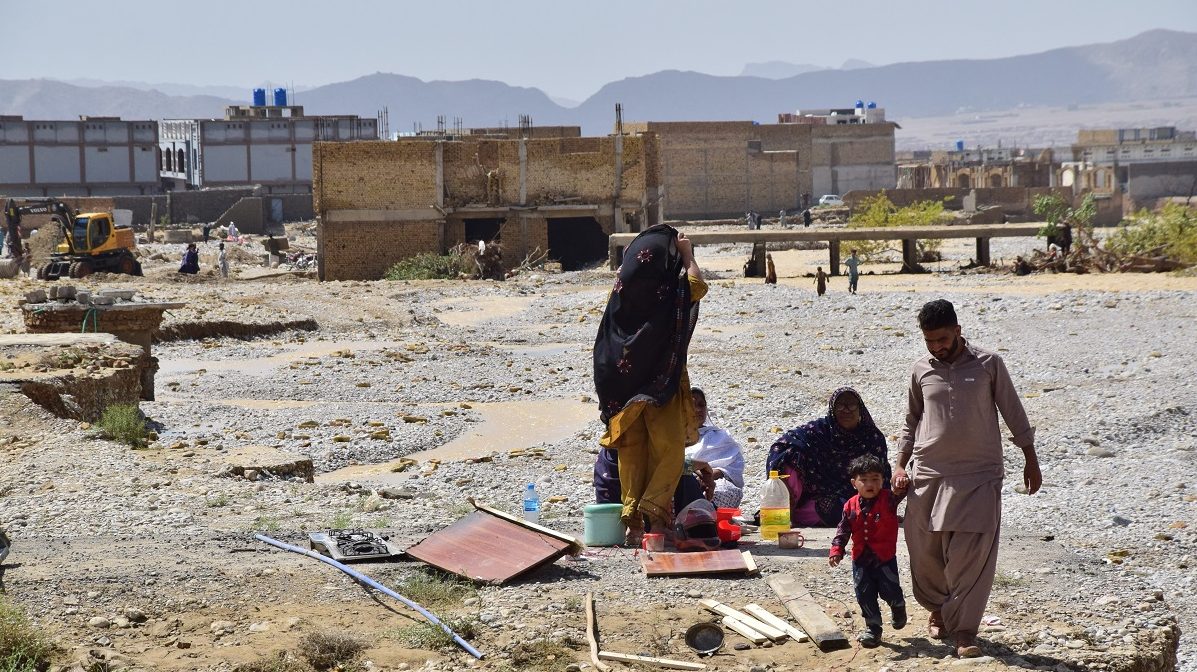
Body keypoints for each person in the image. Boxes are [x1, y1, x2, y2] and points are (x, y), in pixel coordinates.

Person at [894, 299, 1041, 659]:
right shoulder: (921, 369)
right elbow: (911, 421)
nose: (936, 347)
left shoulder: (989, 364)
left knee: (970, 555)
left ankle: (963, 628)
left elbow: (1013, 411)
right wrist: (899, 466)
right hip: (928, 473)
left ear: (958, 330)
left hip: (979, 474)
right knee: (925, 548)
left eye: (942, 339)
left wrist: (1030, 457)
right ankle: (938, 608)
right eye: (929, 341)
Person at [593, 224, 707, 545]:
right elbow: (696, 285)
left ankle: (635, 527)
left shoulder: (622, 292)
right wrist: (688, 256)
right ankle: (656, 518)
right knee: (668, 453)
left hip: (623, 393)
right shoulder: (669, 292)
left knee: (634, 456)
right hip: (661, 388)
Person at [766, 387, 890, 527]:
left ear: (860, 408)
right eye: (840, 405)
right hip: (814, 491)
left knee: (848, 512)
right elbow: (783, 443)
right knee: (789, 454)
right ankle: (785, 511)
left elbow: (882, 474)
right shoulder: (819, 430)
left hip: (855, 494)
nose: (846, 410)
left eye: (851, 405)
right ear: (832, 409)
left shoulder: (872, 437)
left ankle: (794, 515)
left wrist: (885, 506)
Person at [830, 454, 908, 648]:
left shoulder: (889, 499)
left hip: (885, 558)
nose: (870, 484)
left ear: (882, 481)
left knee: (890, 590)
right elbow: (843, 529)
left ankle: (897, 605)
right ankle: (873, 629)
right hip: (861, 559)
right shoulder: (850, 505)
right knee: (864, 594)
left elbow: (902, 491)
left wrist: (901, 481)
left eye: (875, 479)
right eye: (863, 480)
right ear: (854, 483)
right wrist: (836, 550)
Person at [684, 388, 745, 509]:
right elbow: (670, 465)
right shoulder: (671, 438)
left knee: (725, 491)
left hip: (713, 481)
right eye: (692, 406)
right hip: (681, 481)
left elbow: (734, 466)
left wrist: (710, 476)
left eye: (702, 405)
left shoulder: (720, 437)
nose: (698, 410)